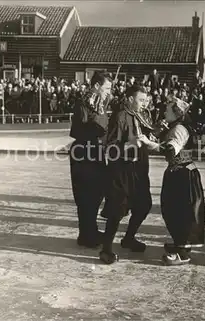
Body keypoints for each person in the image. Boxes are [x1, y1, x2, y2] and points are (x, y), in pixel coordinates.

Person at [139, 95, 205, 265]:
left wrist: (149, 143)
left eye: (168, 109)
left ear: (176, 113)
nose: (164, 111)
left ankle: (183, 253)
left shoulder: (178, 129)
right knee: (176, 211)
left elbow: (170, 151)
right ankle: (180, 243)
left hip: (182, 175)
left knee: (180, 212)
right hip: (181, 173)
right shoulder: (175, 127)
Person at [99, 84, 153, 264]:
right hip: (122, 168)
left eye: (146, 100)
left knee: (144, 204)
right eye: (141, 100)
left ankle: (128, 238)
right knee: (118, 208)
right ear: (130, 99)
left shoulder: (142, 115)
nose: (144, 104)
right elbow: (111, 146)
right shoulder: (120, 116)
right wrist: (129, 145)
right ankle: (106, 249)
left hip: (139, 168)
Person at [69, 71, 112, 248]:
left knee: (96, 194)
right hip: (83, 152)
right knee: (86, 196)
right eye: (107, 88)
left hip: (96, 151)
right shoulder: (83, 103)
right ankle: (85, 235)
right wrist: (96, 129)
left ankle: (91, 230)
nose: (109, 92)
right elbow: (78, 131)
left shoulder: (100, 103)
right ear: (96, 86)